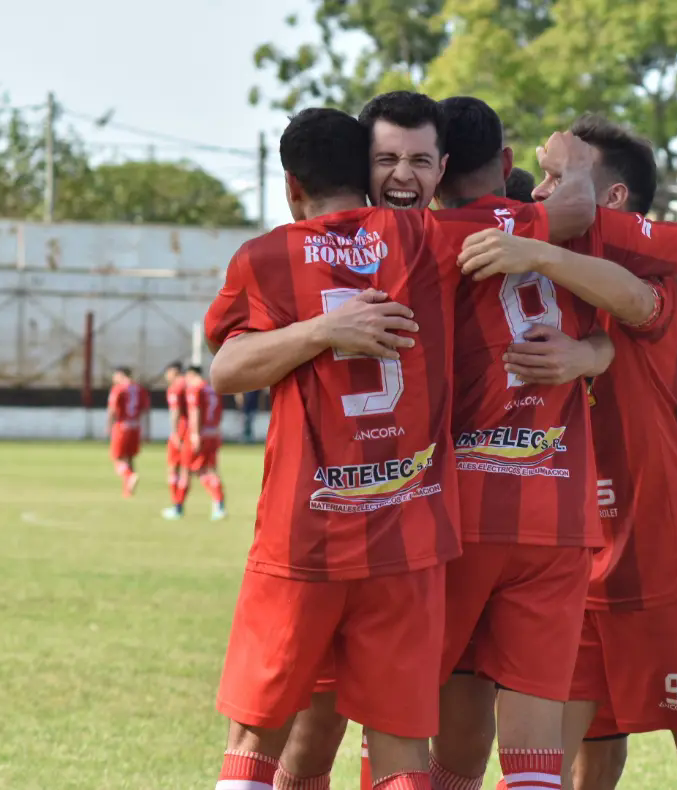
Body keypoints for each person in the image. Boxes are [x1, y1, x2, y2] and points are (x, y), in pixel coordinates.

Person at [204, 100, 598, 790]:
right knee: (401, 751)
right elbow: (573, 212)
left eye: (418, 161)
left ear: (291, 187)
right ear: (364, 170)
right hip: (408, 544)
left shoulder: (264, 256)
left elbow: (227, 371)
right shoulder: (427, 237)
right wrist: (564, 170)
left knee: (257, 741)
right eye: (390, 161)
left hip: (303, 539)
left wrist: (319, 331)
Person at [427, 96, 677, 790]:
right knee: (537, 754)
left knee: (419, 727)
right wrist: (593, 351)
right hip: (555, 520)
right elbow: (664, 282)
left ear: (434, 167)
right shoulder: (581, 237)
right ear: (508, 166)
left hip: (458, 514)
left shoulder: (424, 236)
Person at [534, 113, 677, 790]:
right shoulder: (550, 287)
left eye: (558, 177)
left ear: (613, 201)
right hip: (574, 567)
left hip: (662, 566)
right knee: (574, 762)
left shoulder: (662, 288)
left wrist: (591, 242)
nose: (540, 193)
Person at [181, 365, 226, 520]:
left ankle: (178, 507)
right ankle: (219, 506)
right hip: (213, 433)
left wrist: (194, 434)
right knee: (209, 470)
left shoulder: (195, 388)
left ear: (191, 374)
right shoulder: (212, 388)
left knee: (186, 469)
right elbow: (220, 411)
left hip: (200, 433)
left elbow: (195, 411)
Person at [106, 366, 146, 497]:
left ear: (120, 375)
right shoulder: (139, 389)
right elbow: (145, 410)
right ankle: (128, 491)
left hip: (122, 426)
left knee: (117, 459)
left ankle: (130, 476)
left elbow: (112, 410)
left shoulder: (118, 389)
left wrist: (109, 426)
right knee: (129, 458)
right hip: (135, 427)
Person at [163, 361, 189, 514]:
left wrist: (174, 433)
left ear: (174, 371)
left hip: (181, 430)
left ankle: (176, 506)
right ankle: (218, 505)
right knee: (187, 470)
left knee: (174, 468)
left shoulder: (176, 387)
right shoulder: (192, 384)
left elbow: (175, 411)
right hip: (194, 430)